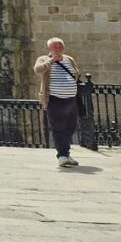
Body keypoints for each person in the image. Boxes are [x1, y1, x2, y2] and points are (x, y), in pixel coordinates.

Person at [34, 37, 82, 168]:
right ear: (49, 48)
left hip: (71, 100)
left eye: (60, 46)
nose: (58, 48)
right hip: (54, 99)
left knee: (70, 126)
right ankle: (62, 156)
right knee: (58, 127)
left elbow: (76, 73)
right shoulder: (44, 59)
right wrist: (51, 61)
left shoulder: (69, 59)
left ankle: (66, 152)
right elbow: (38, 70)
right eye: (55, 46)